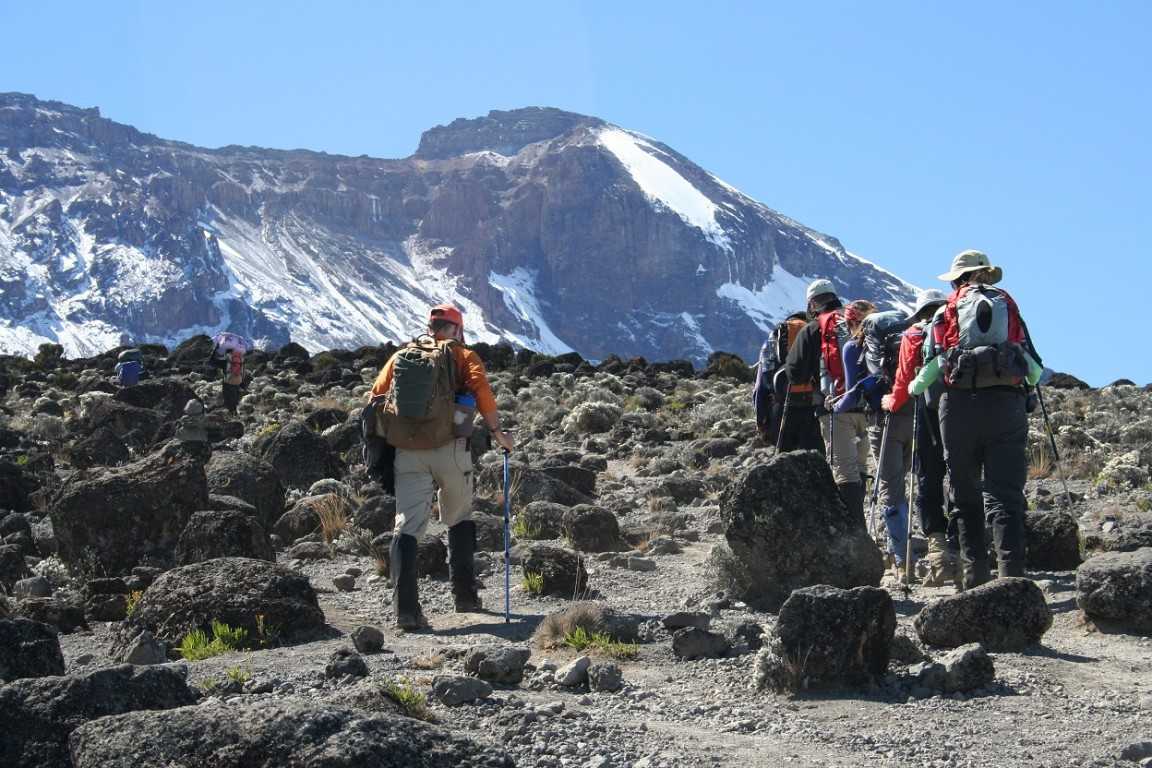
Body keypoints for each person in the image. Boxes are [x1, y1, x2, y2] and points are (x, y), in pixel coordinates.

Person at [370, 304, 514, 630]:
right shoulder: (464, 356)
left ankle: (406, 612)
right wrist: (497, 432)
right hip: (452, 449)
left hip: (407, 451)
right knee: (459, 517)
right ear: (457, 329)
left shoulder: (403, 355)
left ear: (430, 326)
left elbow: (376, 396)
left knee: (406, 526)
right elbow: (481, 392)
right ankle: (464, 597)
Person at [908, 251, 1043, 588]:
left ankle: (975, 580)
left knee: (964, 496)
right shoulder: (1008, 307)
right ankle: (1012, 579)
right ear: (987, 276)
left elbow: (933, 365)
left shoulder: (945, 312)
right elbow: (1034, 369)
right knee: (1005, 496)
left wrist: (913, 386)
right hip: (1006, 408)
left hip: (958, 411)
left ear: (957, 280)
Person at [881, 289, 959, 588]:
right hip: (963, 409)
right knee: (960, 476)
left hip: (926, 413)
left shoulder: (914, 334)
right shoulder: (955, 326)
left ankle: (936, 557)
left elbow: (903, 379)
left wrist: (894, 401)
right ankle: (962, 550)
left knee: (927, 479)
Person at [785, 280, 869, 522]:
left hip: (833, 408)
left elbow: (794, 372)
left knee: (844, 472)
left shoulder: (813, 328)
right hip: (867, 407)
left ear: (813, 303)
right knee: (861, 468)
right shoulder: (858, 321)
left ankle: (854, 531)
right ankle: (861, 523)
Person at [753, 312, 823, 452]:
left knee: (784, 460)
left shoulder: (772, 342)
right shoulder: (815, 337)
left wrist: (761, 422)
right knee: (816, 459)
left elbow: (760, 387)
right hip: (812, 408)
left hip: (781, 408)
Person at [221, 348, 244, 413]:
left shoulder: (227, 358)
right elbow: (242, 370)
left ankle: (230, 411)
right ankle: (235, 409)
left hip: (229, 380)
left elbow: (226, 370)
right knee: (235, 396)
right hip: (238, 379)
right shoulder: (240, 357)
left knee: (227, 396)